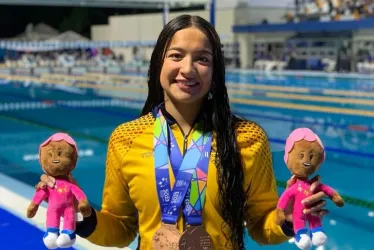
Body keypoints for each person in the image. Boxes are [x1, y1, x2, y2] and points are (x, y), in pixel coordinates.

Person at [36, 14, 328, 249]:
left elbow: (262, 226)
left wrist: (286, 220)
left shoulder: (247, 138)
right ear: (158, 64)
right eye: (176, 55)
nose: (188, 69)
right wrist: (85, 219)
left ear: (215, 72)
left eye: (202, 59)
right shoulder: (125, 138)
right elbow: (122, 229)